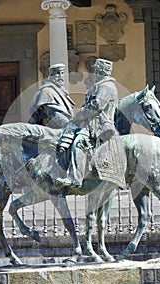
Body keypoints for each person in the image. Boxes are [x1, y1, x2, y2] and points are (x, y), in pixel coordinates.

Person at [56, 58, 122, 188]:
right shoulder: (99, 85)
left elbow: (96, 107)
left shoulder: (106, 86)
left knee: (79, 143)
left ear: (100, 71)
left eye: (95, 70)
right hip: (90, 122)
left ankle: (75, 178)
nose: (93, 73)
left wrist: (79, 116)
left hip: (99, 125)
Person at [27, 63, 75, 129]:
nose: (61, 76)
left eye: (62, 73)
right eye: (58, 73)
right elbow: (54, 116)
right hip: (52, 131)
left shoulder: (61, 91)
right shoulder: (47, 91)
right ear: (51, 76)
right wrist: (72, 127)